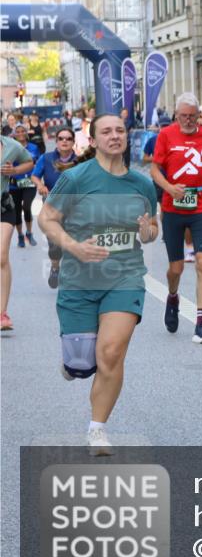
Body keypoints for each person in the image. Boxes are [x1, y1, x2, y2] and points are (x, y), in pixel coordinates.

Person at [37, 113, 159, 456]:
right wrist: (73, 246)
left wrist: (147, 231)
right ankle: (73, 363)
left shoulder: (142, 184)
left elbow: (152, 230)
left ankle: (97, 429)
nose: (114, 135)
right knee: (80, 364)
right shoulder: (75, 178)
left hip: (125, 277)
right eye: (106, 131)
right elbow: (47, 218)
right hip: (79, 280)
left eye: (120, 130)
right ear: (92, 141)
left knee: (111, 352)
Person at [150, 92, 202, 344]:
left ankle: (201, 324)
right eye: (183, 116)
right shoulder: (166, 135)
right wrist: (169, 188)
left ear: (198, 116)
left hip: (200, 207)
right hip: (173, 208)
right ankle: (173, 297)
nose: (188, 120)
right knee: (176, 268)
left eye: (192, 116)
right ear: (176, 115)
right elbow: (154, 169)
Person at [32, 127, 80, 288]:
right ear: (56, 141)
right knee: (54, 244)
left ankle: (73, 275)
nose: (64, 141)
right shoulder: (46, 158)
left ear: (73, 142)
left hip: (74, 207)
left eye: (68, 138)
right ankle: (55, 268)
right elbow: (35, 176)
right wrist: (40, 185)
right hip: (51, 207)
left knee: (73, 240)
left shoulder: (81, 161)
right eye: (61, 138)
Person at [0, 134, 37, 331]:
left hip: (3, 206)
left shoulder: (11, 145)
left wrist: (13, 171)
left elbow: (29, 162)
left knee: (2, 257)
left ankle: (2, 313)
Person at [10, 124, 40, 248]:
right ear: (14, 134)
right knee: (17, 211)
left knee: (26, 206)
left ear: (26, 133)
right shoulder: (10, 148)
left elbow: (38, 162)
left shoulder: (34, 147)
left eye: (23, 131)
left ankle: (29, 232)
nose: (21, 133)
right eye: (18, 131)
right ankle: (20, 235)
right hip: (14, 184)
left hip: (29, 182)